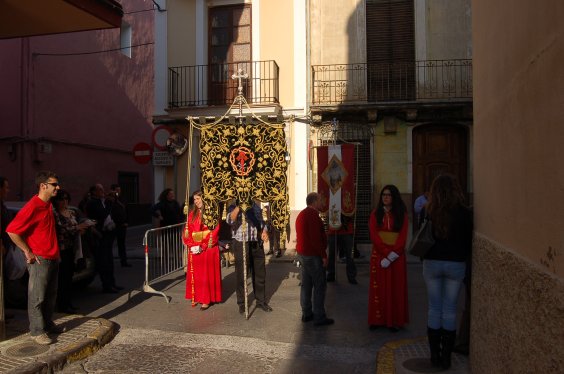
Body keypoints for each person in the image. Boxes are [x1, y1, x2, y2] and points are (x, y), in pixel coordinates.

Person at [6, 171, 64, 345]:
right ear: (43, 186)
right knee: (37, 297)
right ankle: (37, 331)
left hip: (53, 257)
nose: (58, 187)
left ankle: (47, 324)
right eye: (54, 184)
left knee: (51, 295)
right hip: (40, 258)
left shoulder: (48, 204)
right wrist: (27, 251)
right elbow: (12, 230)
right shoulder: (33, 205)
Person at [421, 174, 472, 370]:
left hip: (432, 263)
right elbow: (468, 241)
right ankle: (446, 359)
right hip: (455, 264)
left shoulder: (428, 210)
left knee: (434, 308)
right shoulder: (464, 212)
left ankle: (434, 356)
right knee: (450, 309)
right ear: (455, 190)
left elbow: (422, 234)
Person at [368, 184, 409, 332]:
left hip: (396, 257)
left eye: (389, 195)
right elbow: (374, 236)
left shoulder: (402, 215)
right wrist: (385, 252)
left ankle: (394, 320)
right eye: (383, 195)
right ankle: (377, 320)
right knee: (378, 289)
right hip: (379, 255)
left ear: (394, 197)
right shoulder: (375, 214)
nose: (385, 197)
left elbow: (402, 237)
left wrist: (392, 256)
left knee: (395, 288)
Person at [295, 192, 333, 326]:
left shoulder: (302, 214)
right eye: (320, 199)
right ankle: (319, 316)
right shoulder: (312, 215)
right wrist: (323, 255)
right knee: (319, 285)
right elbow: (315, 238)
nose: (322, 202)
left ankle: (307, 313)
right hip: (313, 255)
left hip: (304, 254)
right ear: (314, 201)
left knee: (306, 284)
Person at [227, 200, 271, 314]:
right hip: (241, 242)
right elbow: (229, 220)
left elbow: (263, 222)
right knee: (241, 274)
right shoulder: (233, 205)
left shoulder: (256, 206)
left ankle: (261, 301)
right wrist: (239, 207)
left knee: (260, 273)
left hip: (256, 242)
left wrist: (265, 231)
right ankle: (242, 302)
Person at [182, 191, 222, 310]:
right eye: (195, 199)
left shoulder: (212, 213)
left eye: (198, 199)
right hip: (195, 248)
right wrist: (191, 244)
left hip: (208, 248)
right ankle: (198, 296)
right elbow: (187, 230)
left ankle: (206, 299)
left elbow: (214, 231)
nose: (196, 201)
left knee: (206, 275)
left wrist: (203, 245)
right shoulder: (192, 213)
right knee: (197, 275)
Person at [52, 190, 90, 313]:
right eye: (62, 199)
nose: (64, 202)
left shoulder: (71, 212)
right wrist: (77, 228)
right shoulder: (55, 214)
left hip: (72, 248)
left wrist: (81, 229)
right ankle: (62, 305)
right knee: (62, 279)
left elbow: (75, 226)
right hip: (61, 249)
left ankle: (68, 302)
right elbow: (62, 230)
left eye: (66, 199)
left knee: (69, 277)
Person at [85, 183, 122, 293]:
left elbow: (112, 212)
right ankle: (107, 285)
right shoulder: (92, 203)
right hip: (99, 235)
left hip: (108, 233)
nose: (103, 191)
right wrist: (109, 202)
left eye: (103, 189)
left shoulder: (103, 201)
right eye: (100, 189)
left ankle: (112, 283)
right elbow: (103, 214)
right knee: (104, 262)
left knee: (110, 261)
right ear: (94, 192)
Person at [327, 213, 357, 284]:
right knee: (332, 254)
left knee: (349, 255)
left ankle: (351, 276)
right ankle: (331, 273)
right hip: (333, 229)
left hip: (347, 230)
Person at [110, 184, 130, 267]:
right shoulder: (110, 199)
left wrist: (127, 221)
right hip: (113, 225)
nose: (118, 192)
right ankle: (109, 262)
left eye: (119, 190)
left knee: (121, 244)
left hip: (122, 225)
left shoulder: (122, 199)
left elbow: (127, 210)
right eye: (116, 190)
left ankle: (124, 261)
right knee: (110, 243)